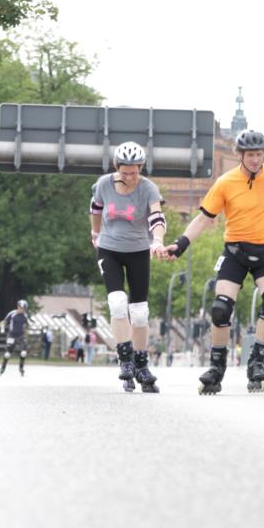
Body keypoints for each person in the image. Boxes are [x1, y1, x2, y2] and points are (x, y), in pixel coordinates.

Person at [162, 129, 264, 395]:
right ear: (240, 155)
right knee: (220, 309)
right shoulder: (225, 182)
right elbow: (204, 218)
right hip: (235, 251)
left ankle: (256, 361)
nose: (255, 159)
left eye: (259, 154)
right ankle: (216, 368)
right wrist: (181, 244)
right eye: (250, 155)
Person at [90, 140, 166, 392]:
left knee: (140, 311)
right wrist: (95, 233)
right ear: (117, 167)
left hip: (138, 250)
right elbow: (96, 208)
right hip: (109, 249)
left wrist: (157, 240)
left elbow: (156, 216)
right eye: (125, 172)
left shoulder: (148, 189)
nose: (130, 177)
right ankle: (125, 361)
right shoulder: (104, 184)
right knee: (117, 303)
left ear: (141, 168)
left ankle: (142, 365)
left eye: (135, 171)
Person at [0, 300, 29, 376]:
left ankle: (21, 368)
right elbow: (3, 322)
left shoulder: (25, 315)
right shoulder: (12, 314)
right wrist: (2, 328)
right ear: (18, 307)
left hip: (21, 336)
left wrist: (26, 332)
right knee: (7, 354)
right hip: (11, 336)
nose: (22, 310)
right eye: (21, 308)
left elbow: (27, 325)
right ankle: (3, 367)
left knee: (23, 353)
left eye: (24, 308)